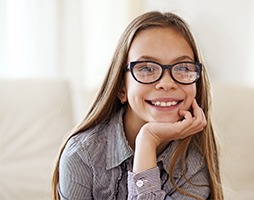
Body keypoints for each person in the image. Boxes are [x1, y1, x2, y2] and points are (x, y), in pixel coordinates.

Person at [52, 11, 223, 200]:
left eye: (183, 67)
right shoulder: (82, 156)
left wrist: (148, 140)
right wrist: (149, 139)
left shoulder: (194, 165)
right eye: (147, 68)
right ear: (121, 88)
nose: (167, 83)